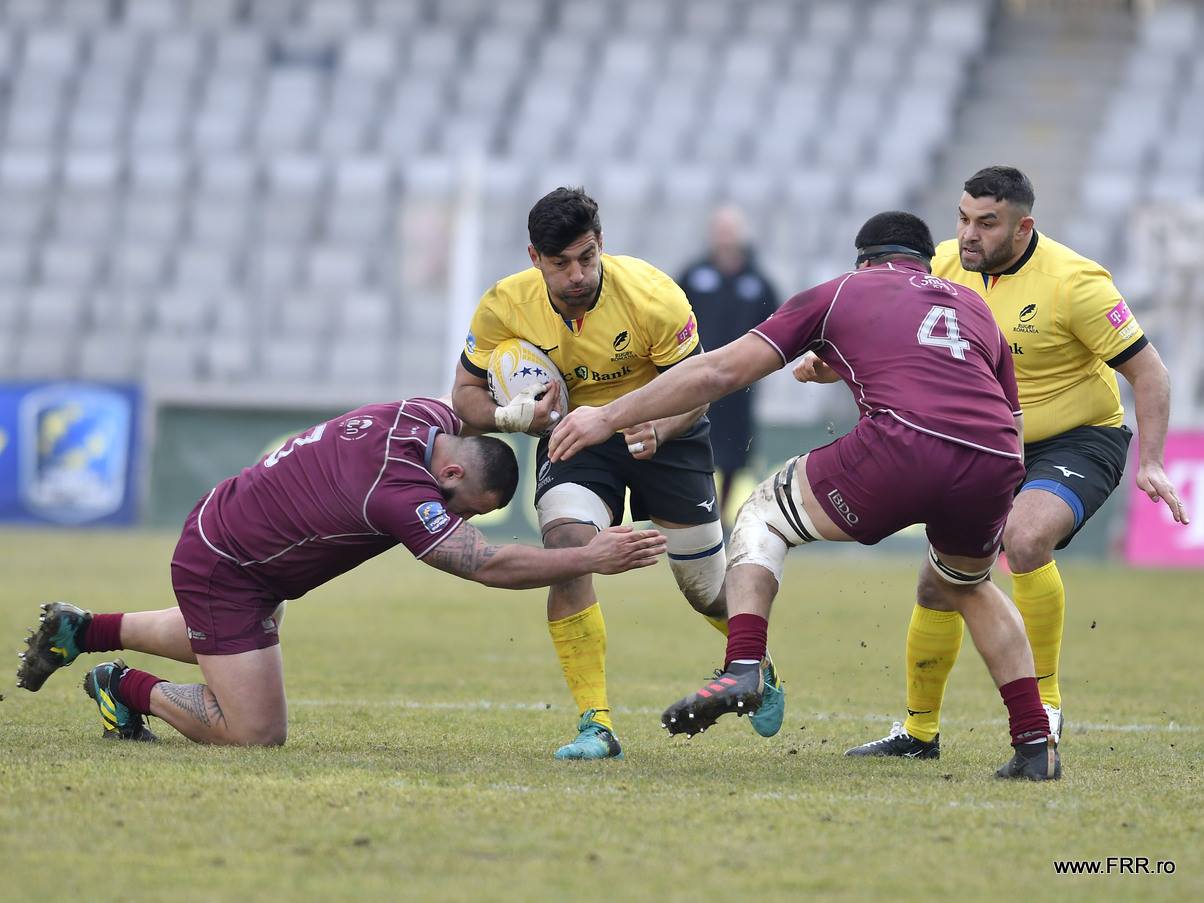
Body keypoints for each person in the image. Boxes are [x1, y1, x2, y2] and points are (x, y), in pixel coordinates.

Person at [551, 211, 1063, 780]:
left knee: (762, 515)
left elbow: (720, 371)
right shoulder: (975, 310)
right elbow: (1001, 414)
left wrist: (608, 417)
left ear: (864, 259)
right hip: (994, 459)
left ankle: (744, 665)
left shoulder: (842, 291)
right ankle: (1035, 742)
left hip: (904, 444)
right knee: (970, 587)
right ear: (924, 260)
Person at [16, 396, 667, 745]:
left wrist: (518, 412)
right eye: (462, 507)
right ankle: (122, 686)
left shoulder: (424, 416)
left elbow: (466, 405)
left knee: (216, 639)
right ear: (451, 473)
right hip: (230, 563)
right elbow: (488, 565)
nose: (455, 517)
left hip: (239, 535)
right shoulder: (399, 492)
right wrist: (589, 556)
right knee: (254, 729)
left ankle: (83, 628)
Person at [844, 167, 1188, 761]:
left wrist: (1152, 461)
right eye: (962, 218)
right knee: (938, 585)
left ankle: (1045, 703)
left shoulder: (1076, 282)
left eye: (986, 223)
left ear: (1023, 225)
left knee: (1024, 538)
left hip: (1077, 439)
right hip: (989, 443)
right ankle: (918, 733)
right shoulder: (946, 265)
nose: (967, 235)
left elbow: (1149, 372)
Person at [452, 187, 785, 760]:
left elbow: (697, 393)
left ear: (601, 244)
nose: (577, 274)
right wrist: (516, 415)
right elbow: (464, 398)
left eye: (586, 257)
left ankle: (756, 666)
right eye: (561, 264)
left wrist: (660, 426)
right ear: (535, 258)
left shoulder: (654, 295)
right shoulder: (503, 306)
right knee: (567, 549)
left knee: (706, 590)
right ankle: (595, 725)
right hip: (578, 437)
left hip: (662, 430)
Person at [678, 206, 780, 526]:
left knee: (735, 450)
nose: (726, 236)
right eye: (721, 229)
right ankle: (694, 507)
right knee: (694, 439)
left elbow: (775, 322)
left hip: (740, 381)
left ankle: (721, 512)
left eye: (731, 230)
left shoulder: (758, 281)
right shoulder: (694, 275)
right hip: (698, 375)